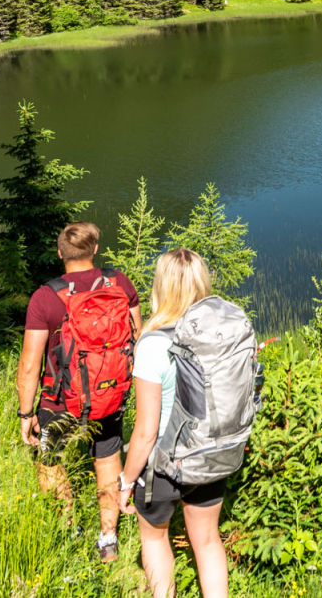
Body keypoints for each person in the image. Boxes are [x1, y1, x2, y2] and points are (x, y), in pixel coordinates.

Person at [16, 221, 140, 562]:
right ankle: (108, 541)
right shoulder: (120, 283)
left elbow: (29, 365)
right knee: (108, 461)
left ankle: (68, 530)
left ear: (60, 254)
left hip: (60, 401)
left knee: (51, 463)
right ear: (95, 250)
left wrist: (26, 414)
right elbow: (136, 339)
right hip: (110, 394)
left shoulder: (46, 297)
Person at [118, 248, 229, 598]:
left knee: (153, 537)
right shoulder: (220, 335)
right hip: (212, 456)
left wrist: (126, 480)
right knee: (209, 542)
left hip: (164, 468)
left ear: (161, 287)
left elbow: (146, 430)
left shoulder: (153, 345)